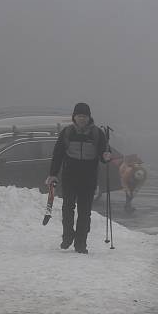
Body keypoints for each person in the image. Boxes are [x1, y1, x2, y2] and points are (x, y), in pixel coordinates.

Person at [45, 102, 111, 254]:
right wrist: (53, 173)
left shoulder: (96, 133)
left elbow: (103, 154)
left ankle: (81, 243)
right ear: (74, 117)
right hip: (70, 177)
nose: (82, 119)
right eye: (79, 116)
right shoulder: (67, 133)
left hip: (89, 179)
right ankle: (68, 236)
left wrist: (106, 156)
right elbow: (58, 154)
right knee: (67, 208)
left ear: (89, 117)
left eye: (85, 116)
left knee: (84, 211)